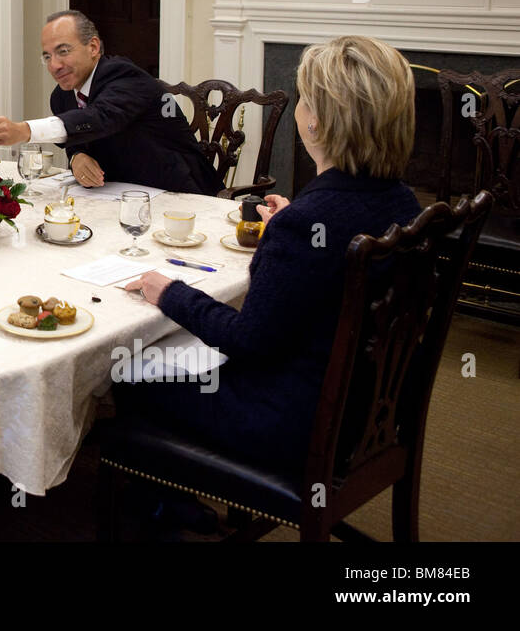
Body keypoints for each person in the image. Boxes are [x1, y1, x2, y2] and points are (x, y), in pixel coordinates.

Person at [118, 35, 421, 476]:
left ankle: (164, 507)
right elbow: (334, 245)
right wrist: (295, 224)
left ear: (315, 123)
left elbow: (248, 341)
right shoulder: (403, 202)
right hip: (369, 411)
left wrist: (167, 292)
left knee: (127, 377)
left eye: (303, 100)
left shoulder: (307, 224)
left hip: (291, 424)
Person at [0, 10, 221, 194]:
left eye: (63, 51)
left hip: (180, 194)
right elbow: (76, 135)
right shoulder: (61, 96)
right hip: (117, 194)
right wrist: (77, 155)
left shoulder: (125, 76)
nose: (54, 66)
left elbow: (100, 118)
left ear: (93, 46)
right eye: (47, 56)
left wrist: (24, 130)